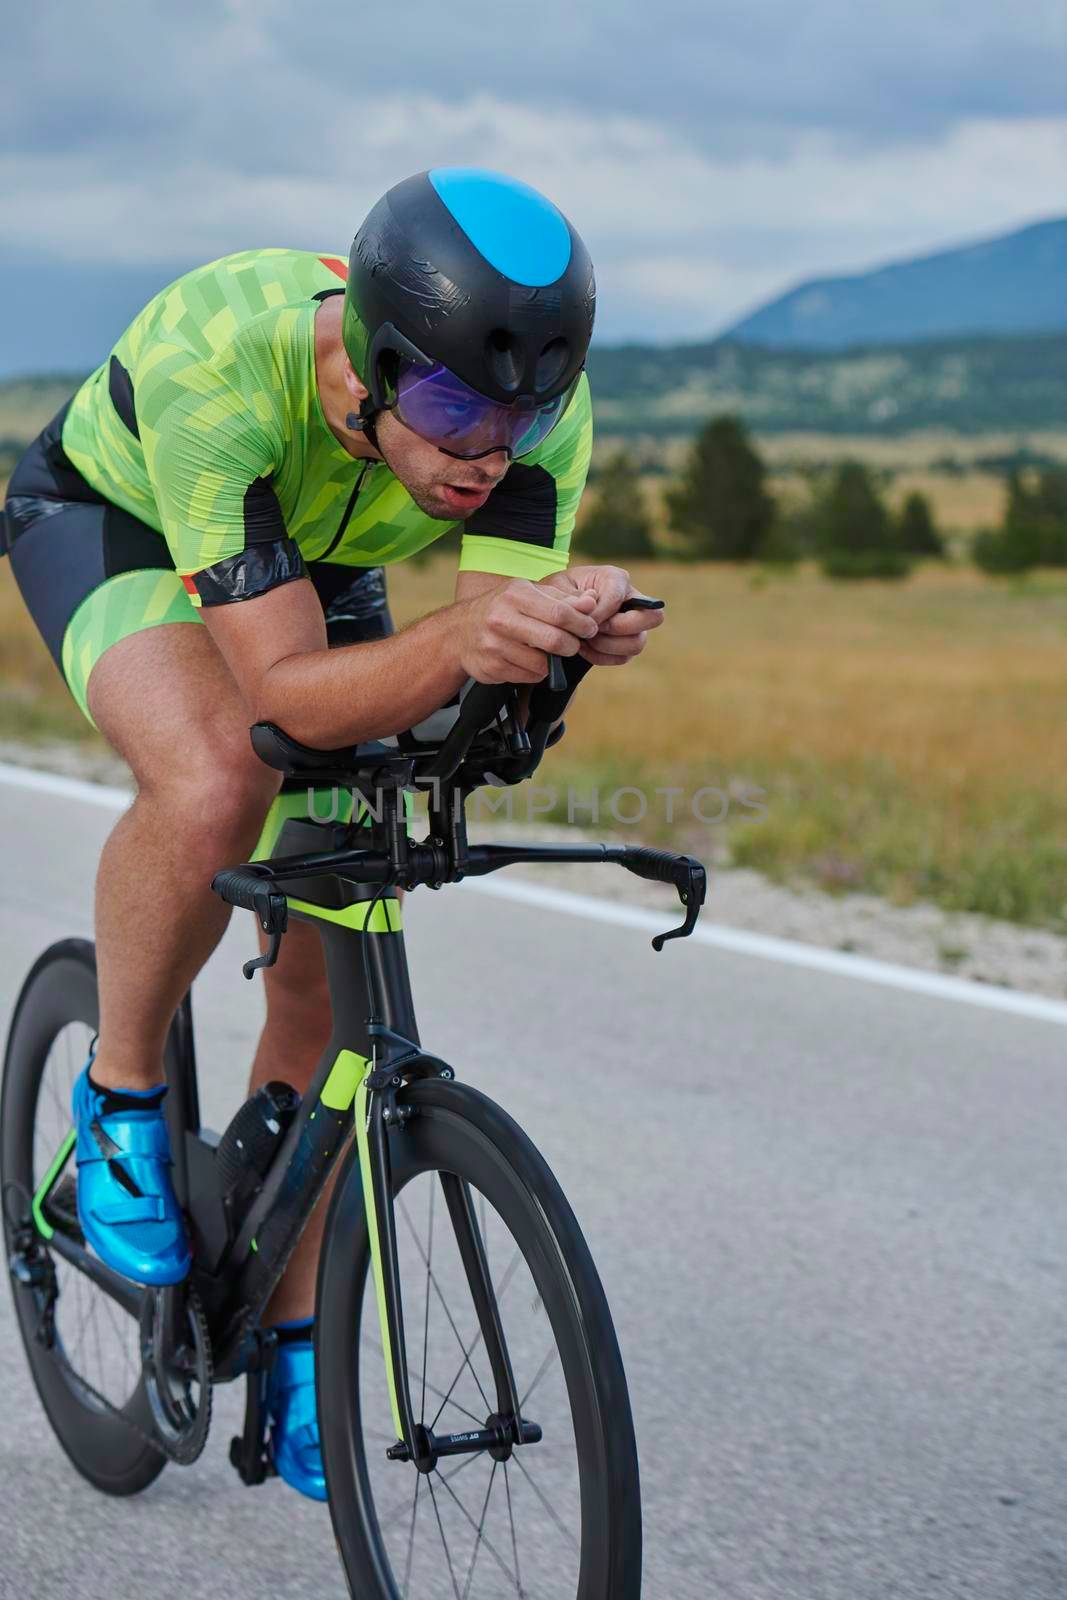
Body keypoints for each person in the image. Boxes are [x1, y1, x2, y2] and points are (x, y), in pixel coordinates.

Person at [1, 168, 661, 1498]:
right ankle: (119, 1094)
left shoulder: (528, 426)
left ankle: (294, 1325)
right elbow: (285, 698)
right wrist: (461, 639)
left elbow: (475, 678)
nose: (489, 452)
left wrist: (552, 644)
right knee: (212, 783)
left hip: (310, 549)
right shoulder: (224, 362)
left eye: (521, 415)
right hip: (115, 516)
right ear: (366, 364)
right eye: (454, 408)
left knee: (335, 925)